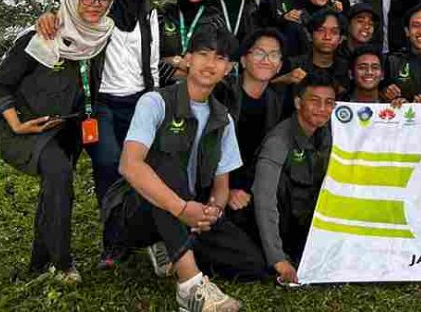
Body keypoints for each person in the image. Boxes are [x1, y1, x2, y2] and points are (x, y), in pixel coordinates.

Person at [102, 25, 268, 312]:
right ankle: (190, 287)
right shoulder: (155, 102)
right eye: (203, 54)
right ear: (188, 59)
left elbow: (221, 186)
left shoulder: (223, 119)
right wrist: (181, 209)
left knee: (251, 264)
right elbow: (130, 165)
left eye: (219, 58)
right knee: (165, 164)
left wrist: (212, 211)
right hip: (134, 213)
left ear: (229, 68)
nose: (210, 64)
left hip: (189, 210)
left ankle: (170, 245)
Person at [33, 0, 161, 266]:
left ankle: (147, 235)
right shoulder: (96, 7)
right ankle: (114, 243)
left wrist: (156, 100)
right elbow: (65, 20)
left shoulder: (149, 13)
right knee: (108, 164)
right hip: (99, 102)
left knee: (143, 166)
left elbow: (152, 62)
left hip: (140, 100)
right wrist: (48, 17)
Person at [0, 0, 116, 282]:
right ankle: (62, 264)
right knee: (59, 176)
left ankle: (39, 263)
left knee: (55, 188)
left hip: (70, 128)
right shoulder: (41, 36)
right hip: (32, 127)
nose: (95, 3)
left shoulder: (102, 36)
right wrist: (17, 124)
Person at [252, 73, 336, 284]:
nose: (322, 108)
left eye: (329, 103)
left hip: (310, 221)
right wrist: (277, 259)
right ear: (298, 103)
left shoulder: (331, 132)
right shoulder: (279, 140)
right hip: (283, 222)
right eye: (315, 101)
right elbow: (264, 200)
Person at [214, 29, 289, 242]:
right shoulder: (222, 93)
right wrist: (228, 189)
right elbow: (208, 150)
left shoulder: (276, 102)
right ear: (244, 60)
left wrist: (248, 189)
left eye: (273, 55)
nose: (266, 60)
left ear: (279, 66)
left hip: (251, 189)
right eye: (259, 53)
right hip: (216, 186)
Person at [159, 0, 227, 83]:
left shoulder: (216, 21)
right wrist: (180, 64)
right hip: (162, 88)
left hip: (201, 88)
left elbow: (220, 62)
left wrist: (171, 59)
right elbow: (149, 59)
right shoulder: (163, 15)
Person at [287, 10, 351, 96]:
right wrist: (284, 79)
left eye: (334, 32)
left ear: (341, 39)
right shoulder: (292, 65)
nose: (327, 37)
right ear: (310, 35)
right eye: (321, 30)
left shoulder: (347, 68)